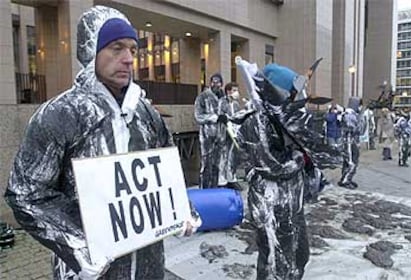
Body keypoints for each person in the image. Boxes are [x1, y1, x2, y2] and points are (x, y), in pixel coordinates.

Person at [4, 6, 199, 280]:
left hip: (148, 263)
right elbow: (26, 193)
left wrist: (181, 210)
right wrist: (76, 244)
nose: (128, 58)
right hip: (91, 271)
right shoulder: (61, 114)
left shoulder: (146, 113)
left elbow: (167, 172)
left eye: (132, 49)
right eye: (116, 48)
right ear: (90, 51)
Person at [235, 59, 340, 279]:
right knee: (275, 262)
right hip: (270, 204)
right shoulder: (254, 123)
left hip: (293, 203)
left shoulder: (289, 121)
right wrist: (299, 158)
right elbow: (272, 167)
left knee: (300, 256)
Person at [194, 73, 229, 188]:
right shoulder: (203, 97)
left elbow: (227, 114)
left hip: (220, 137)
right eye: (213, 82)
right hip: (207, 136)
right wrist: (215, 118)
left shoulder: (224, 98)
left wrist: (226, 118)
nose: (216, 84)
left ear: (221, 84)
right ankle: (204, 190)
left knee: (217, 165)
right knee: (206, 164)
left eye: (218, 82)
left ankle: (214, 189)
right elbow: (198, 116)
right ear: (210, 83)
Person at [337, 97, 363, 189]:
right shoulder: (350, 115)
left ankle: (346, 178)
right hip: (349, 141)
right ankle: (346, 180)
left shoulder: (347, 114)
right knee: (352, 161)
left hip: (347, 141)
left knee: (347, 161)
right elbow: (353, 129)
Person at [223, 82, 243, 190]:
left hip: (234, 133)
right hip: (225, 133)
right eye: (234, 90)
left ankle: (232, 178)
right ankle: (224, 180)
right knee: (225, 156)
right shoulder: (223, 103)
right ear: (228, 91)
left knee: (233, 156)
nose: (236, 93)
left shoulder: (235, 104)